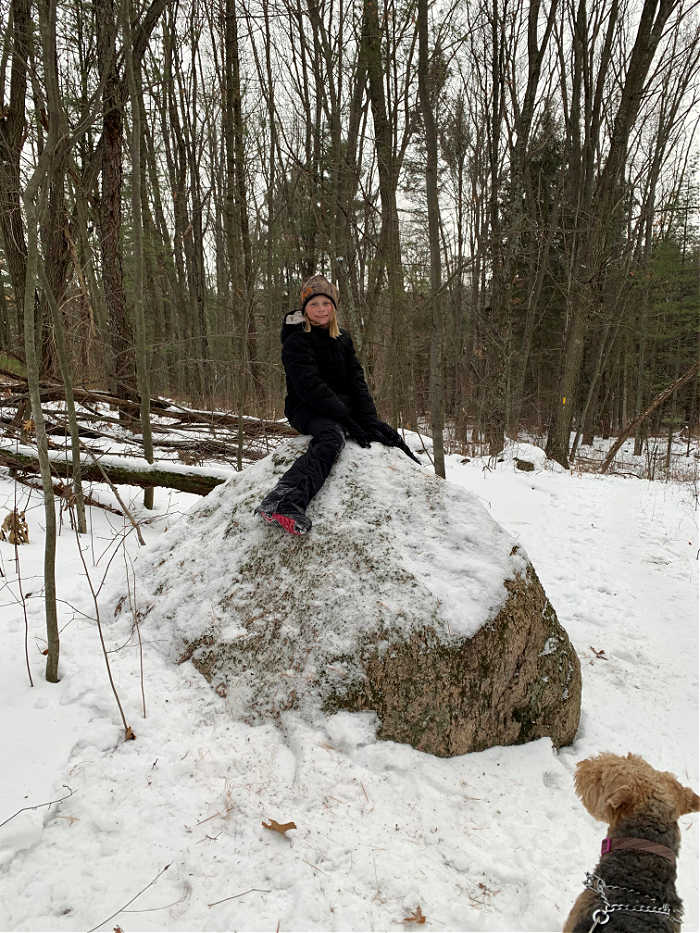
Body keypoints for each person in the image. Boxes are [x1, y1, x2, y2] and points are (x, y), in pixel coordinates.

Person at [255, 274, 420, 536]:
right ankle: (282, 501)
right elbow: (309, 386)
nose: (321, 309)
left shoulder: (342, 338)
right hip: (306, 408)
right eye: (314, 304)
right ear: (304, 308)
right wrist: (345, 419)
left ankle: (423, 488)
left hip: (340, 406)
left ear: (333, 307)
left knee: (385, 433)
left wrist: (368, 419)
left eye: (326, 303)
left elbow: (357, 382)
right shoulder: (296, 341)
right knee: (332, 437)